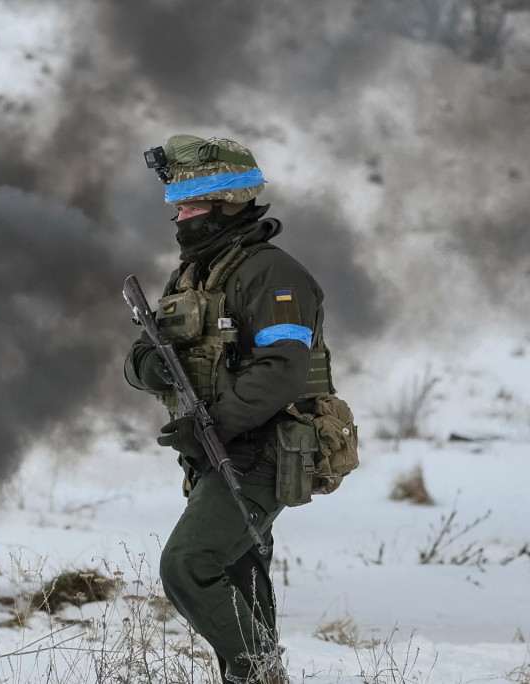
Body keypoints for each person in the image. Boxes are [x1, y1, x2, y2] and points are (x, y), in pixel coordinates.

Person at [125, 134, 335, 684]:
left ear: (227, 203)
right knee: (240, 580)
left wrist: (213, 425)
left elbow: (282, 370)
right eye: (177, 203)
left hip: (261, 451)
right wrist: (152, 367)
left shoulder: (272, 275)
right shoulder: (195, 272)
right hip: (217, 452)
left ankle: (257, 671)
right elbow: (142, 354)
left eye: (190, 204)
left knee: (188, 565)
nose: (177, 215)